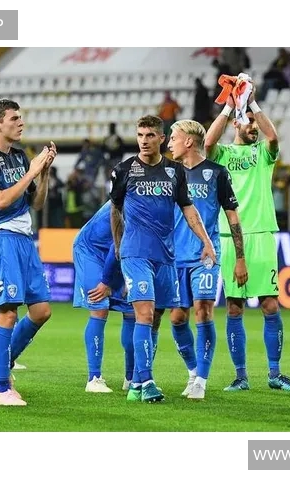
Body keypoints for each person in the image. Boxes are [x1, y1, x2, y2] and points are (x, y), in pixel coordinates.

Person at [109, 115, 216, 403]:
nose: (143, 141)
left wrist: (206, 242)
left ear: (161, 138)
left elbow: (189, 210)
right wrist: (119, 247)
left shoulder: (175, 171)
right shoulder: (124, 170)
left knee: (156, 318)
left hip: (166, 257)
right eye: (140, 135)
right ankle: (147, 382)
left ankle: (135, 383)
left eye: (149, 135)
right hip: (136, 253)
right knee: (144, 314)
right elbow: (115, 210)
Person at [205, 83, 290, 392]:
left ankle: (275, 374)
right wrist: (229, 106)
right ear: (236, 123)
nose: (254, 128)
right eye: (248, 122)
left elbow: (272, 137)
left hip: (261, 235)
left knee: (270, 305)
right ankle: (240, 376)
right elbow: (208, 142)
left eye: (255, 124)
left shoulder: (262, 153)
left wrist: (253, 105)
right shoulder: (223, 154)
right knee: (234, 307)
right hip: (229, 235)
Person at [0, 99, 56, 406]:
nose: (21, 123)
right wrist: (31, 172)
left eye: (21, 118)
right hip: (0, 238)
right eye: (14, 118)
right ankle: (3, 390)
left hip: (24, 239)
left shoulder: (20, 157)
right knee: (7, 313)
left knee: (41, 311)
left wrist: (43, 173)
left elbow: (36, 203)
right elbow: (0, 201)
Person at [166, 119, 248, 400]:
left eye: (174, 138)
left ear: (189, 141)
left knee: (203, 310)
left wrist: (240, 258)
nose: (169, 143)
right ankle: (192, 371)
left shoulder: (217, 173)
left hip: (206, 255)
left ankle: (201, 379)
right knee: (177, 317)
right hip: (174, 256)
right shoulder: (168, 174)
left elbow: (233, 217)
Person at [73, 200, 136, 393]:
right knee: (99, 307)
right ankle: (94, 379)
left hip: (120, 251)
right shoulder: (132, 201)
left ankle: (132, 378)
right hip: (90, 250)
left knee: (133, 310)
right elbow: (117, 244)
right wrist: (106, 282)